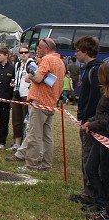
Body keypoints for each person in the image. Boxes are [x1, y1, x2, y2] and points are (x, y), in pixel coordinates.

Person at [15, 37, 66, 172]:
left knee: (34, 134)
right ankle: (46, 165)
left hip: (40, 101)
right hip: (51, 102)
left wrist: (30, 75)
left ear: (46, 49)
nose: (37, 50)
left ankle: (31, 164)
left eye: (39, 48)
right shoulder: (60, 61)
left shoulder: (47, 59)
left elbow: (38, 78)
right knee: (47, 136)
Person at [71, 36, 103, 206]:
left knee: (89, 159)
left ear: (85, 51)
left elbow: (94, 99)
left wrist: (87, 119)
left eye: (77, 50)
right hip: (87, 119)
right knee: (86, 157)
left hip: (90, 121)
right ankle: (87, 192)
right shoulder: (89, 68)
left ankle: (92, 195)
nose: (75, 53)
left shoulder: (94, 70)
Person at [82, 62, 109, 220]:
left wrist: (92, 124)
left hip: (106, 139)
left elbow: (106, 120)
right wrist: (90, 121)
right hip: (101, 136)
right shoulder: (105, 93)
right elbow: (101, 115)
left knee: (105, 175)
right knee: (91, 168)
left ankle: (106, 210)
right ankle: (100, 203)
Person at [8, 46, 34, 153]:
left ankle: (26, 146)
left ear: (29, 53)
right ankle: (17, 143)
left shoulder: (31, 64)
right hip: (17, 93)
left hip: (27, 95)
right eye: (21, 52)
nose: (23, 54)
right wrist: (14, 84)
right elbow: (16, 77)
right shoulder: (18, 64)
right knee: (16, 120)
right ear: (18, 54)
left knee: (26, 121)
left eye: (25, 52)